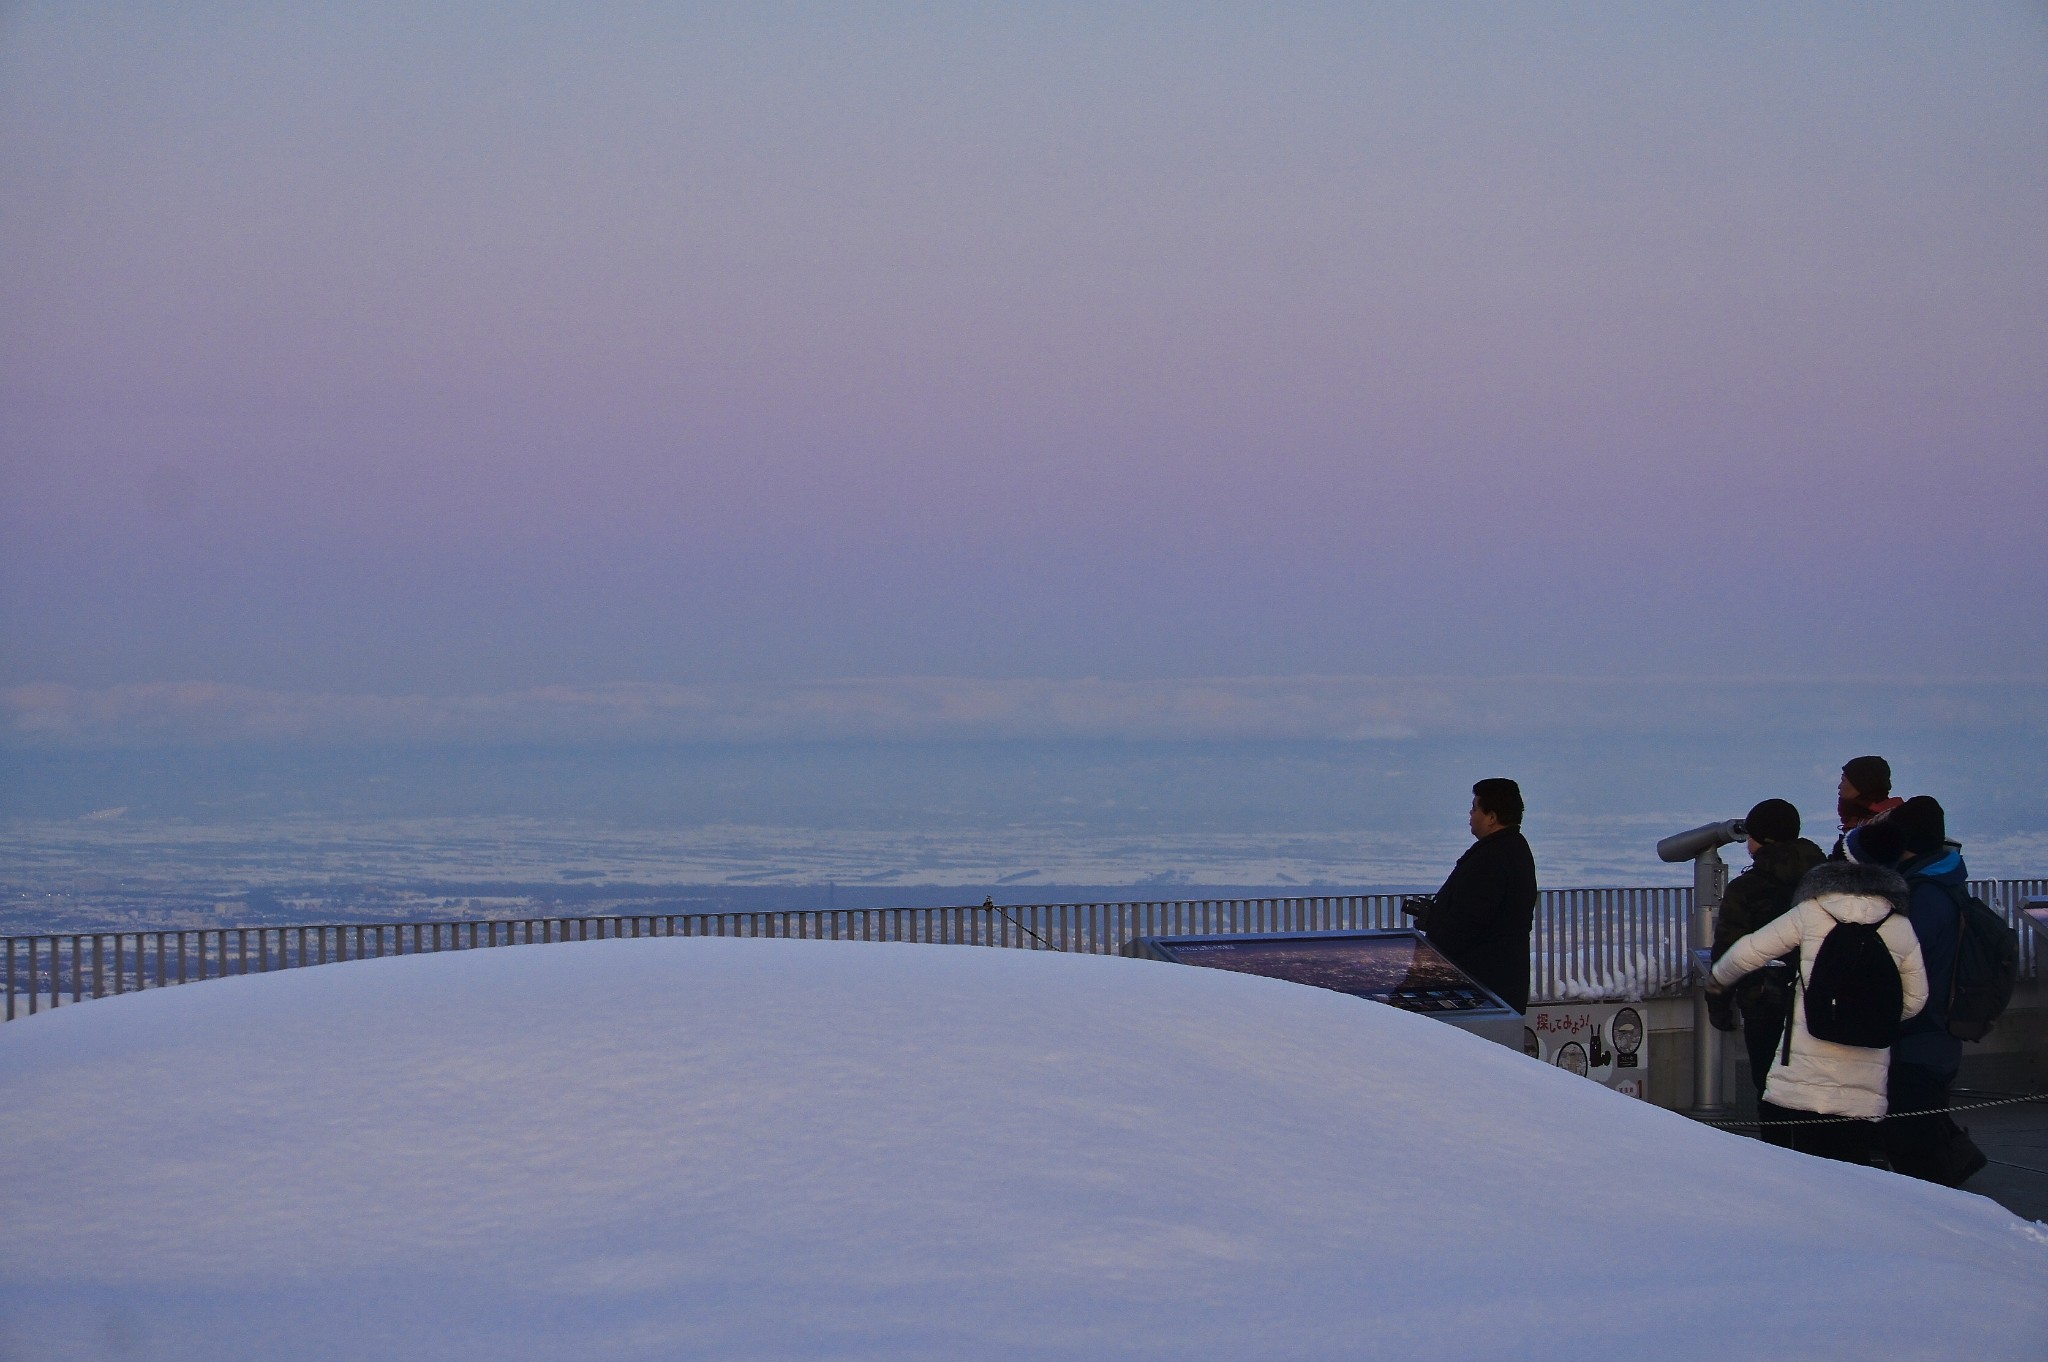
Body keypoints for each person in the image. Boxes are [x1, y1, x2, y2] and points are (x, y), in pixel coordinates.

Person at [1709, 861, 1926, 1166]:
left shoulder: (1811, 912)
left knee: (1808, 1168)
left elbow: (1749, 952)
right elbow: (1916, 999)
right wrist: (1869, 1016)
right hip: (1864, 1081)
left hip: (1804, 1074)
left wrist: (1718, 980)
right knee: (1853, 1168)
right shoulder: (1898, 924)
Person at [1869, 795, 1986, 1185]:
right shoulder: (1944, 883)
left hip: (1919, 1039)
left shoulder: (1923, 896)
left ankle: (1943, 1218)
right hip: (1936, 1039)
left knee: (1914, 1149)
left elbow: (1900, 964)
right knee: (1922, 1132)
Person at [1708, 799, 1826, 1139]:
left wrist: (1718, 1002)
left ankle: (1779, 1161)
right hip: (1817, 1000)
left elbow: (1730, 950)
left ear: (1762, 840)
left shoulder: (1747, 889)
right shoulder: (1825, 878)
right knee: (1814, 1093)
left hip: (1764, 1002)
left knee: (1770, 1088)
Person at [1416, 779, 1538, 1011]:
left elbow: (1468, 922)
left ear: (1492, 817)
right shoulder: (1515, 848)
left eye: (1474, 808)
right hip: (1502, 983)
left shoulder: (1492, 858)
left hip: (1481, 986)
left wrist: (1435, 927)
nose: (1470, 815)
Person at [1829, 755, 1904, 861]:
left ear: (1862, 784)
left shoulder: (1885, 822)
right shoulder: (1860, 818)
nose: (1839, 786)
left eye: (1843, 780)